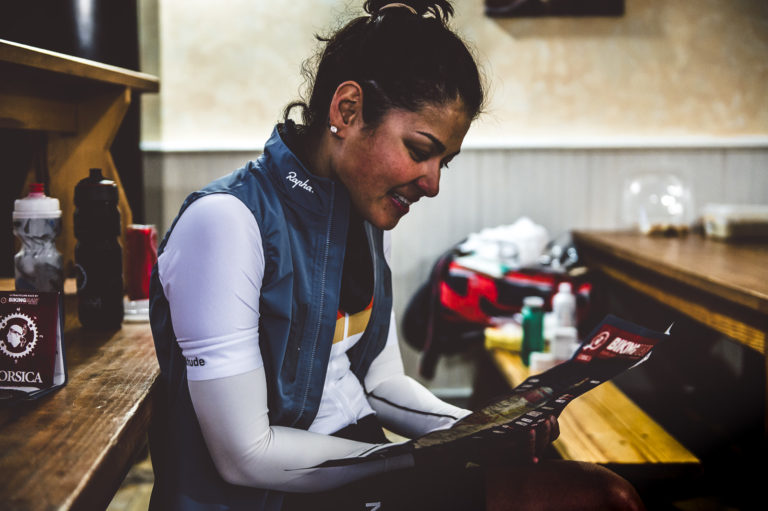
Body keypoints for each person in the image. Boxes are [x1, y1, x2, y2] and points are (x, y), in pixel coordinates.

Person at [148, 1, 645, 510]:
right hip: (274, 496)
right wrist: (415, 457)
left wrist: (480, 429)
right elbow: (244, 456)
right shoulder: (225, 222)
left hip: (363, 469)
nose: (431, 184)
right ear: (347, 111)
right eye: (419, 150)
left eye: (443, 163)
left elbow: (380, 383)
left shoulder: (366, 216)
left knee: (606, 497)